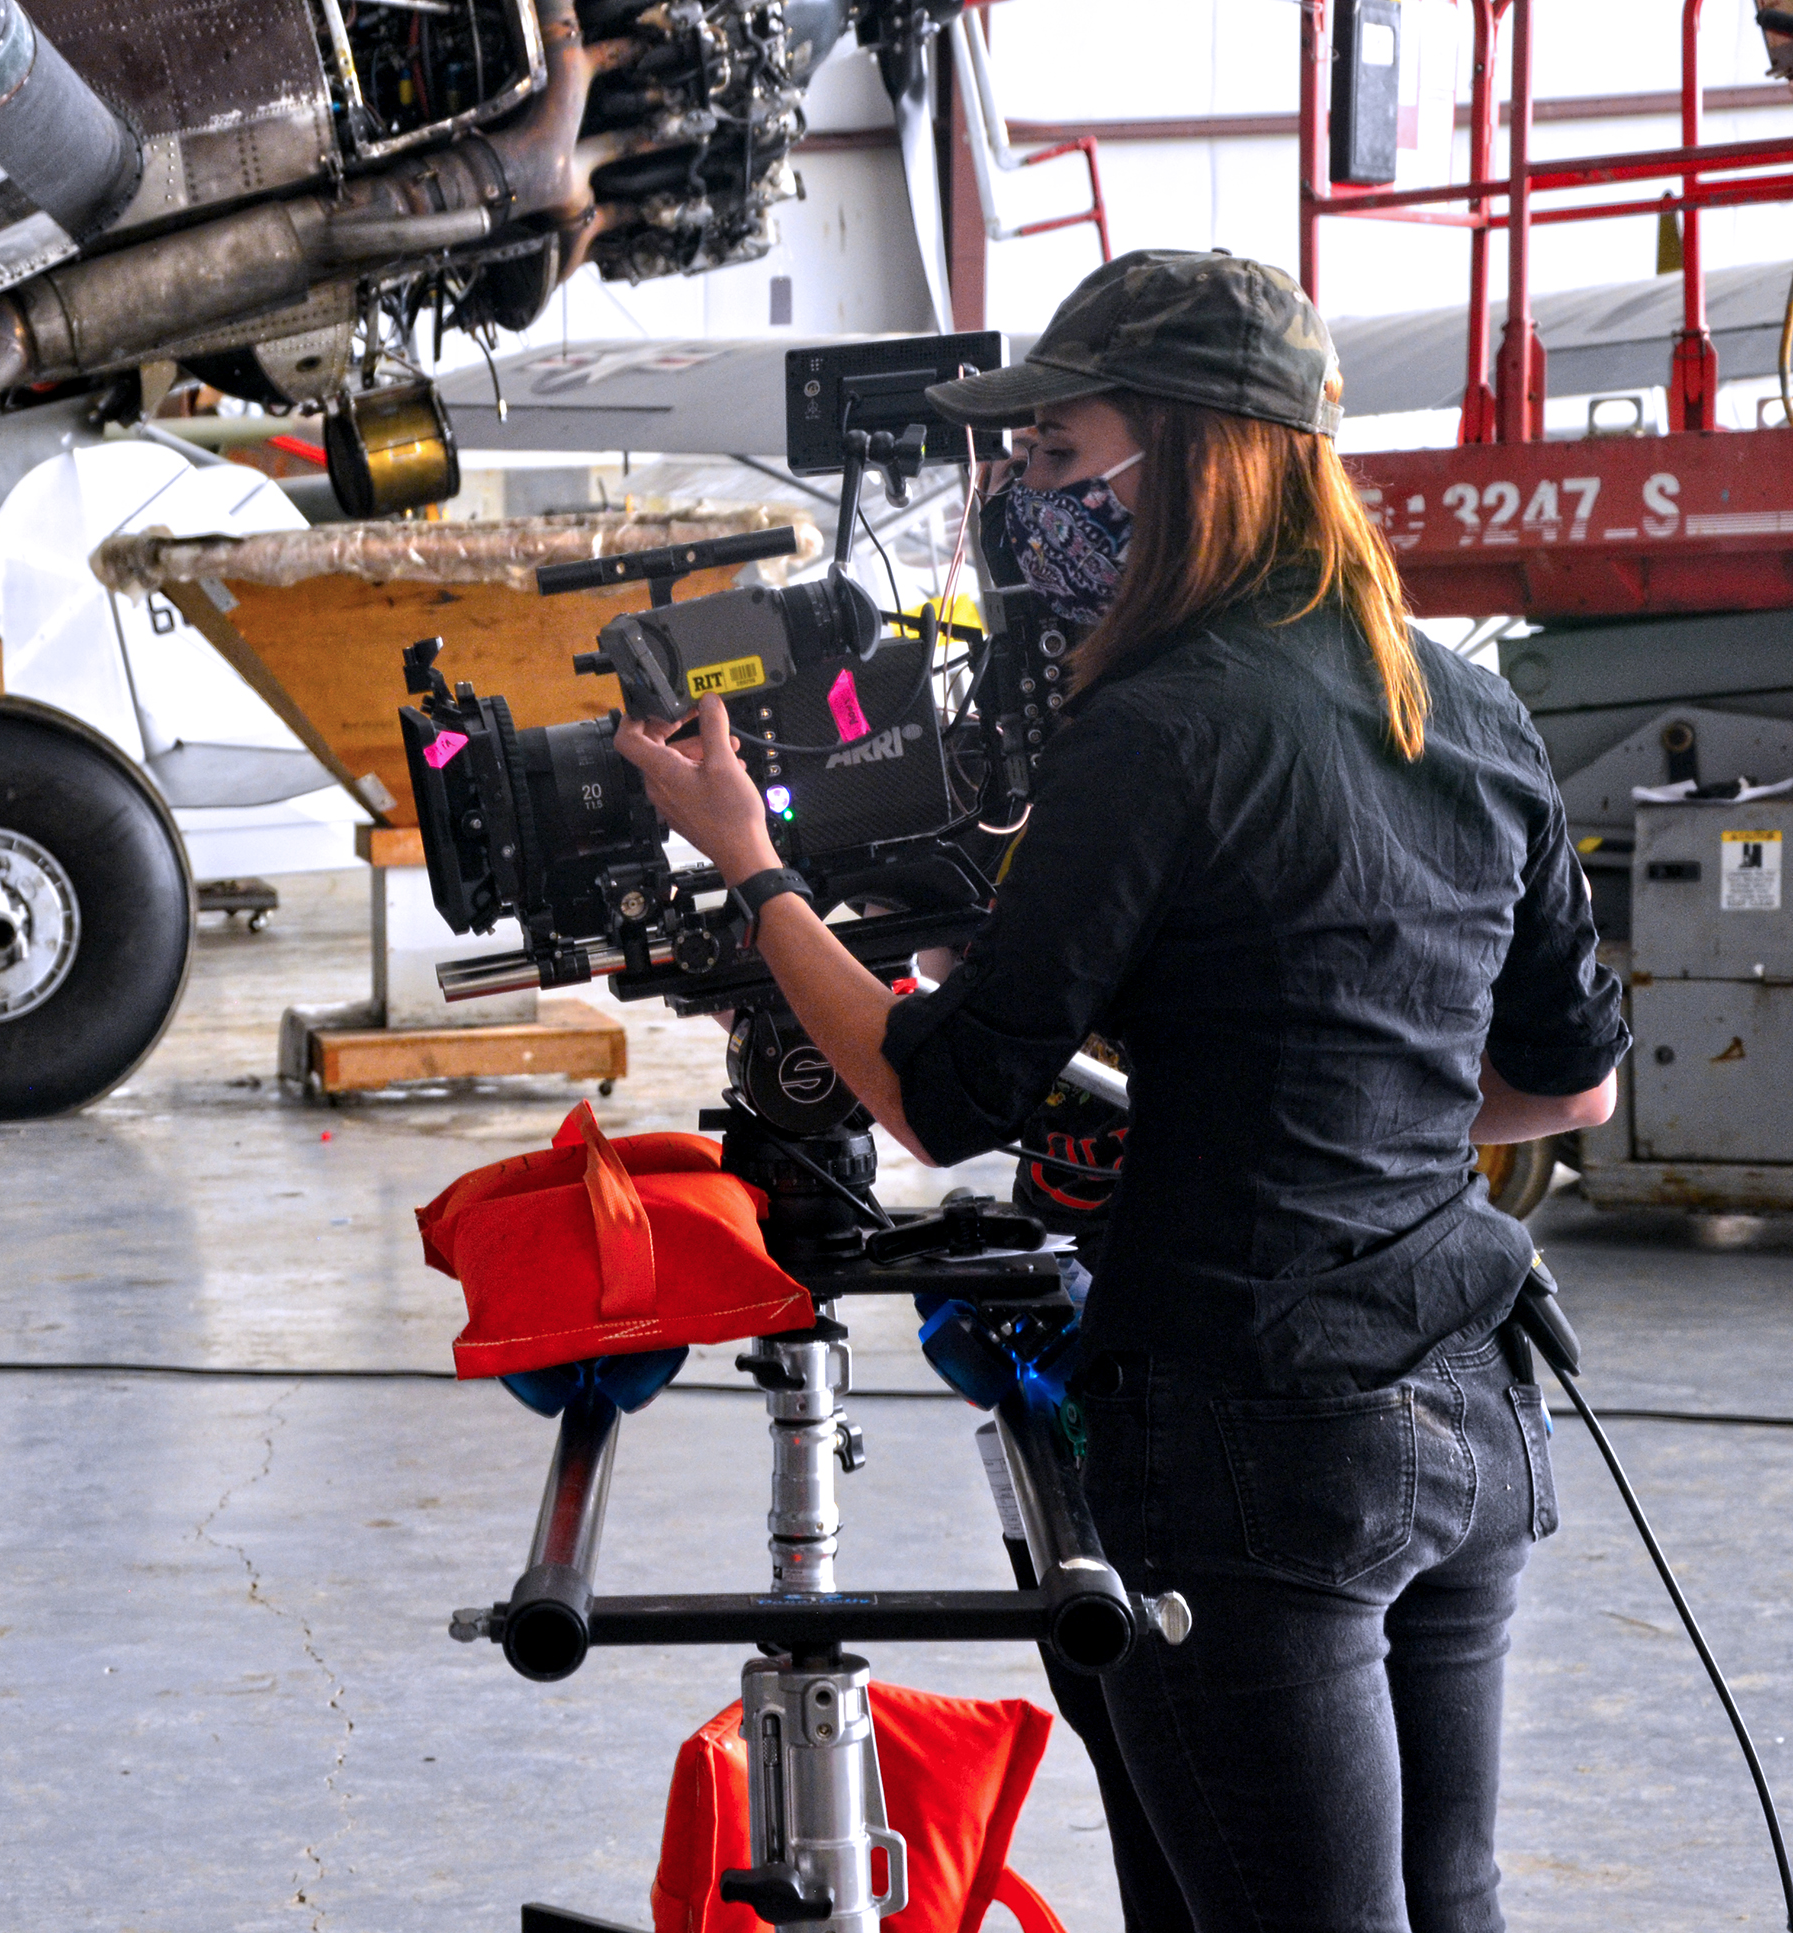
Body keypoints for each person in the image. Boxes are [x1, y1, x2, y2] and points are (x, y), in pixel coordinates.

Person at [614, 248, 1628, 1933]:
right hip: (1474, 1403)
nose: (1023, 499)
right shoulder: (1464, 699)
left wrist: (754, 869)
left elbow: (945, 1095)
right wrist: (1300, 1100)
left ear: (1199, 451)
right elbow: (1566, 1087)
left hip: (1252, 1436)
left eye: (1059, 458)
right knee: (1450, 1907)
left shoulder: (1156, 726)